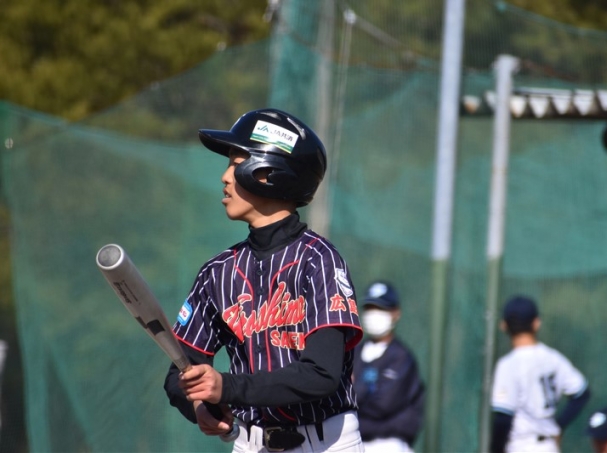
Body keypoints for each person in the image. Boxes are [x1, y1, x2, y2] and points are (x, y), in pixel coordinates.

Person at [163, 108, 364, 453]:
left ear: (269, 172)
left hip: (327, 443)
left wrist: (226, 387)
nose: (225, 177)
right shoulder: (218, 272)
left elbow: (321, 374)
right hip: (250, 444)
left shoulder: (318, 260)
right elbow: (179, 373)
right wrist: (197, 407)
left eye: (236, 164)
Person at [490, 295, 591, 453]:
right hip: (548, 446)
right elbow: (582, 393)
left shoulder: (508, 364)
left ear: (504, 325)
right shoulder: (553, 358)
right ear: (536, 323)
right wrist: (559, 425)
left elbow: (503, 418)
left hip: (522, 445)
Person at [352, 281, 425, 453]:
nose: (373, 314)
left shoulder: (402, 358)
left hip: (388, 444)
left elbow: (382, 406)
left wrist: (352, 392)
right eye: (370, 308)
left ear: (395, 313)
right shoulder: (353, 352)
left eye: (381, 308)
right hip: (353, 441)